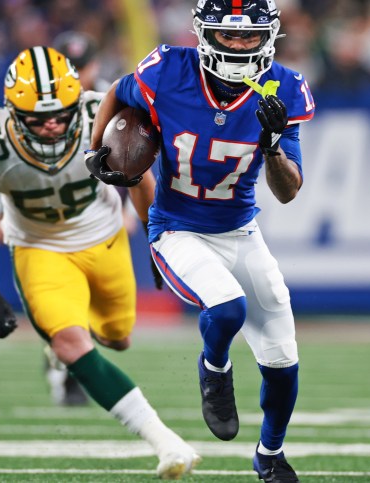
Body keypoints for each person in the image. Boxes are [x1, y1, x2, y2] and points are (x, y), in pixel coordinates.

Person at [85, 1, 315, 481]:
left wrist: (272, 144)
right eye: (226, 35)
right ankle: (214, 369)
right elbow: (116, 92)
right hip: (177, 227)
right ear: (203, 33)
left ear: (269, 36)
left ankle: (270, 454)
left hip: (240, 228)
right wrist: (96, 151)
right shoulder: (169, 68)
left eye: (248, 37)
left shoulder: (282, 87)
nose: (236, 44)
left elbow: (288, 190)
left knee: (283, 354)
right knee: (227, 307)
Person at [0, 46, 200, 479]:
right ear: (11, 113)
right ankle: (165, 441)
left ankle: (65, 331)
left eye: (59, 113)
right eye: (37, 117)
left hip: (103, 238)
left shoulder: (100, 115)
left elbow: (138, 178)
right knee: (70, 343)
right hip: (38, 248)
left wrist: (160, 239)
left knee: (118, 338)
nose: (51, 124)